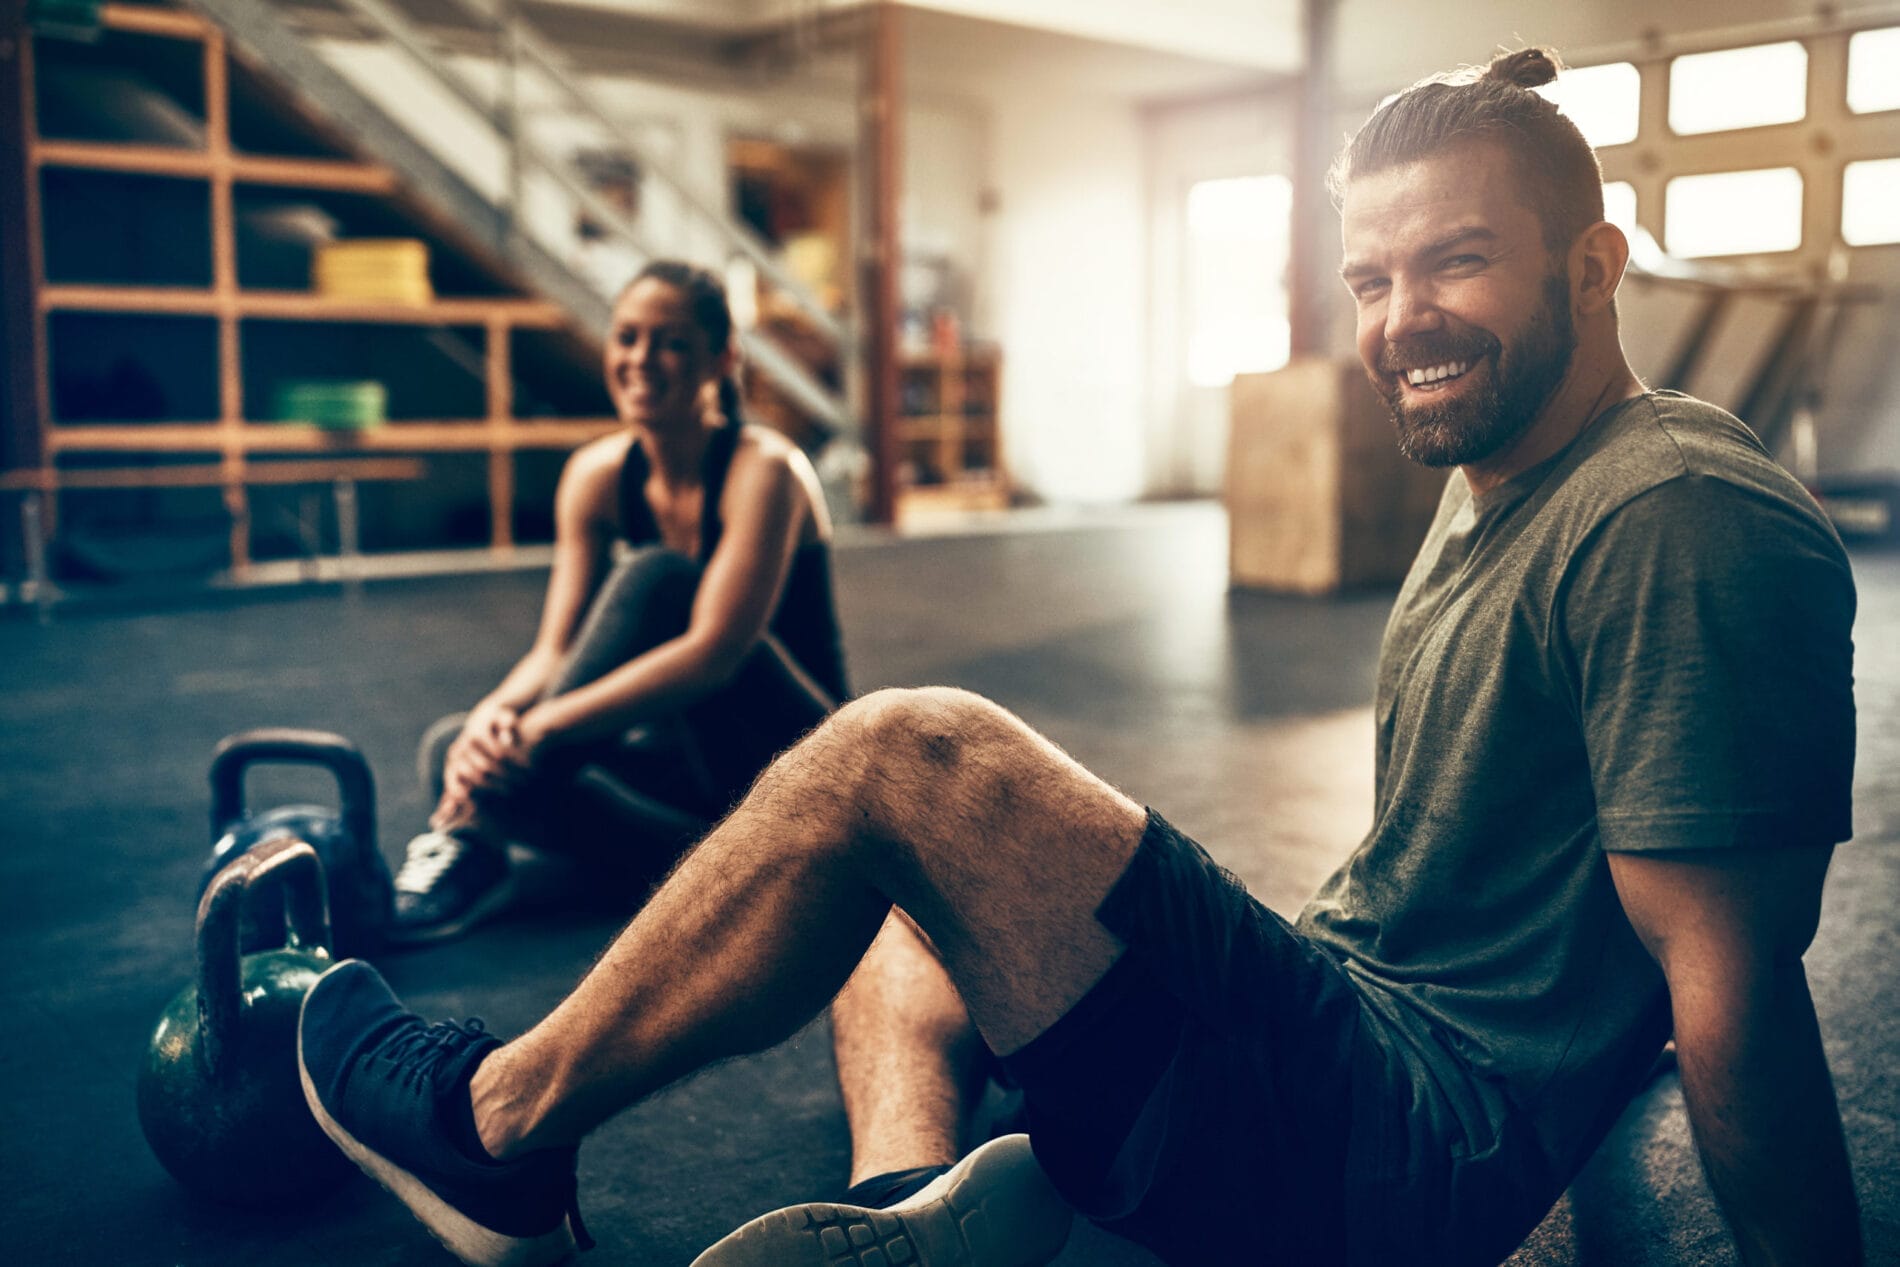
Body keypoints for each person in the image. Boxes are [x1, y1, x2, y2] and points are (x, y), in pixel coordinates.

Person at [297, 47, 1863, 1266]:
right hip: (1345, 1016)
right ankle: (908, 1208)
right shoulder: (1507, 481)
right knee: (901, 886)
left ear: (1592, 268)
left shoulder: (1674, 514)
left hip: (1395, 1143)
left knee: (911, 754)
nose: (1399, 321)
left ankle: (493, 1124)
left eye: (1455, 262)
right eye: (1370, 281)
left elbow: (1733, 980)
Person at [391, 259, 850, 944]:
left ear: (721, 358)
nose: (642, 359)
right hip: (697, 795)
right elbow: (554, 649)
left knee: (661, 580)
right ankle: (705, 869)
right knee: (452, 748)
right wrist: (497, 717)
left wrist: (540, 729)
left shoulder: (767, 469)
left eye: (670, 342)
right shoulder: (597, 475)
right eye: (627, 337)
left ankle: (474, 833)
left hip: (810, 770)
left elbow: (713, 653)